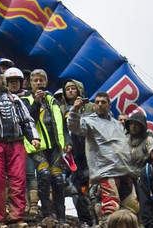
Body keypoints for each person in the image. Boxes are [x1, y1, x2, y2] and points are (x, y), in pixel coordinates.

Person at [0, 66, 39, 228]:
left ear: (2, 78)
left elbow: (27, 119)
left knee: (18, 180)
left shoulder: (15, 98)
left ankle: (16, 217)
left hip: (16, 142)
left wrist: (33, 137)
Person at [67, 91, 134, 223]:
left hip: (125, 170)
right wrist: (75, 109)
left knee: (132, 207)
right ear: (93, 105)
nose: (100, 105)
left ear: (109, 105)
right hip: (106, 172)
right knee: (111, 208)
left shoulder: (117, 124)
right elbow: (74, 126)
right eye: (97, 102)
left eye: (103, 102)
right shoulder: (88, 121)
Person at [25, 68, 67, 219]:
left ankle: (61, 217)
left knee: (58, 179)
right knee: (44, 175)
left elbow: (63, 123)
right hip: (38, 146)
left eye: (41, 80)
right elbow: (28, 119)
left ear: (46, 82)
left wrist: (67, 141)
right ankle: (48, 214)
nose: (38, 83)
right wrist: (36, 102)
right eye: (35, 80)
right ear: (30, 83)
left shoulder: (53, 101)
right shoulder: (26, 100)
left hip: (55, 146)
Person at [57, 78, 95, 226]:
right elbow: (62, 130)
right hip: (74, 155)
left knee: (94, 189)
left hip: (91, 152)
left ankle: (99, 219)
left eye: (73, 88)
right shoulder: (62, 109)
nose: (70, 91)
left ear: (79, 90)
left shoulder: (90, 107)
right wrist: (66, 143)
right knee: (77, 190)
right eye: (67, 89)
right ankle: (85, 220)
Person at [124, 110, 152, 174]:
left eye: (136, 124)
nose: (133, 126)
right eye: (131, 123)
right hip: (126, 176)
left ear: (142, 126)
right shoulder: (125, 139)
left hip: (144, 176)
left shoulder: (149, 139)